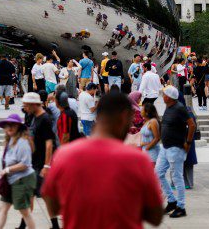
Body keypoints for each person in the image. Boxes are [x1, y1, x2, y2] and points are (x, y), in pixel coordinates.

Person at [42, 92, 164, 229]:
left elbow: (48, 196)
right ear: (124, 116)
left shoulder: (64, 155)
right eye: (130, 120)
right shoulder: (137, 160)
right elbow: (155, 217)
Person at [155, 86, 196, 218]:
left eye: (164, 94)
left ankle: (181, 206)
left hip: (176, 148)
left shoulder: (179, 108)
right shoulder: (169, 107)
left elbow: (192, 125)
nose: (162, 96)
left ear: (170, 97)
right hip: (165, 147)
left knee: (177, 177)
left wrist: (188, 143)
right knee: (158, 173)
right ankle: (172, 201)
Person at [22, 92, 59, 229]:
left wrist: (46, 165)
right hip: (34, 161)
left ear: (33, 104)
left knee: (41, 194)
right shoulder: (33, 117)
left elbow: (49, 143)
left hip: (41, 163)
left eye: (26, 105)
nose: (25, 108)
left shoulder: (45, 118)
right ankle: (54, 225)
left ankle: (25, 224)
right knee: (38, 194)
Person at [0, 113, 37, 229]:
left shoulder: (22, 142)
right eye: (8, 125)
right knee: (2, 208)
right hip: (11, 179)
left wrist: (7, 169)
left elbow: (25, 164)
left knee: (25, 212)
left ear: (19, 127)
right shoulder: (10, 141)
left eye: (13, 125)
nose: (10, 127)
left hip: (22, 180)